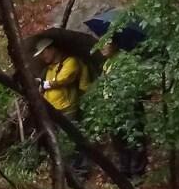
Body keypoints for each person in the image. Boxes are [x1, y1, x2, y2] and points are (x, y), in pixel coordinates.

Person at [34, 39, 93, 179]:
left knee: (72, 140)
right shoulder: (49, 70)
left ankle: (81, 171)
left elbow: (65, 79)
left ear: (52, 49)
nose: (43, 57)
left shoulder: (70, 62)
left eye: (44, 53)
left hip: (68, 109)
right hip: (53, 112)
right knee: (59, 142)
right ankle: (68, 171)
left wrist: (44, 84)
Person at [102, 40, 149, 180]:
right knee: (118, 138)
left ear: (115, 44)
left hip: (128, 103)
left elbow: (133, 83)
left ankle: (137, 171)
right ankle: (124, 170)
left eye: (106, 43)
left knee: (134, 136)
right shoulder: (107, 64)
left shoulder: (125, 60)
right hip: (112, 105)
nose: (102, 47)